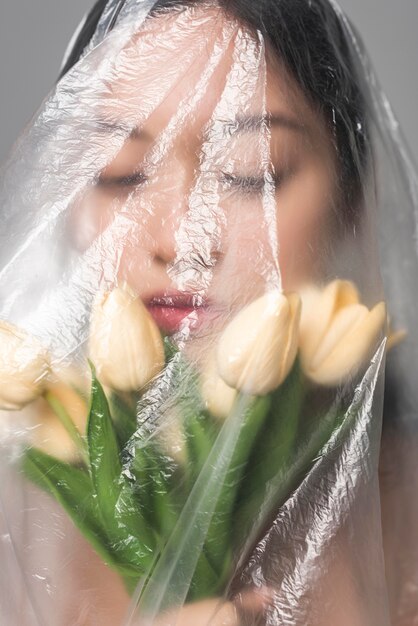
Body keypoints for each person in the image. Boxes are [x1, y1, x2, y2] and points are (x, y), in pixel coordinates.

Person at [0, 0, 417, 625]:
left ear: (354, 198)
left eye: (250, 173)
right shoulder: (19, 529)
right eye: (119, 173)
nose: (178, 239)